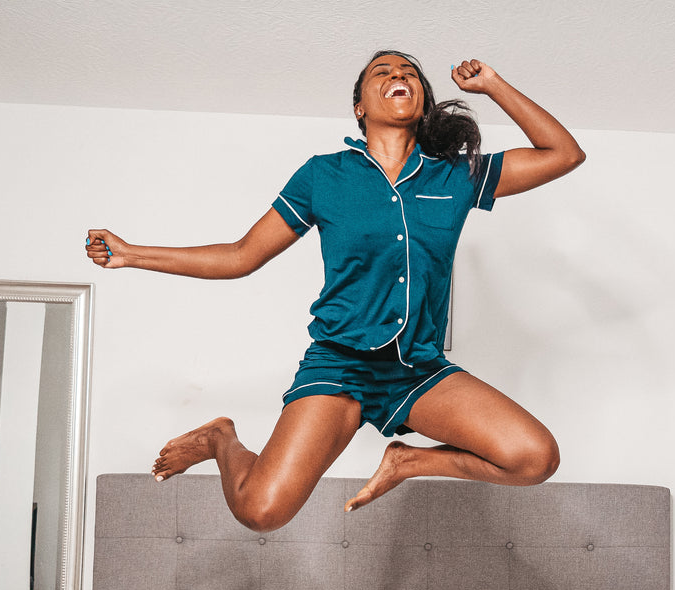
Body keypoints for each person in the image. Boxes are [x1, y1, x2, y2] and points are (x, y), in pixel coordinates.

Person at [86, 51, 585, 531]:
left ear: (424, 104)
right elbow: (241, 255)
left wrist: (492, 85)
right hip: (339, 364)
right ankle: (221, 437)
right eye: (383, 72)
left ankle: (407, 461)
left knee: (535, 458)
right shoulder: (323, 176)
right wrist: (133, 254)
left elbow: (564, 154)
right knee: (260, 511)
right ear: (359, 108)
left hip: (418, 367)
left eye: (411, 73)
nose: (400, 75)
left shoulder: (455, 174)